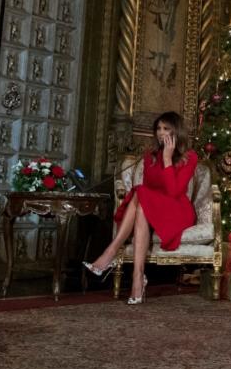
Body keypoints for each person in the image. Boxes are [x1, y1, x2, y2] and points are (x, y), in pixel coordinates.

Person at [84, 112, 198, 305]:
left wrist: (168, 159)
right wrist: (160, 158)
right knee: (142, 201)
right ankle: (137, 277)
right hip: (153, 204)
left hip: (177, 210)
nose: (161, 133)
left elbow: (173, 192)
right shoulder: (149, 156)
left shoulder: (190, 157)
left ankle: (110, 253)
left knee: (141, 195)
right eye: (159, 129)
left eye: (166, 129)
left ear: (176, 131)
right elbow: (151, 186)